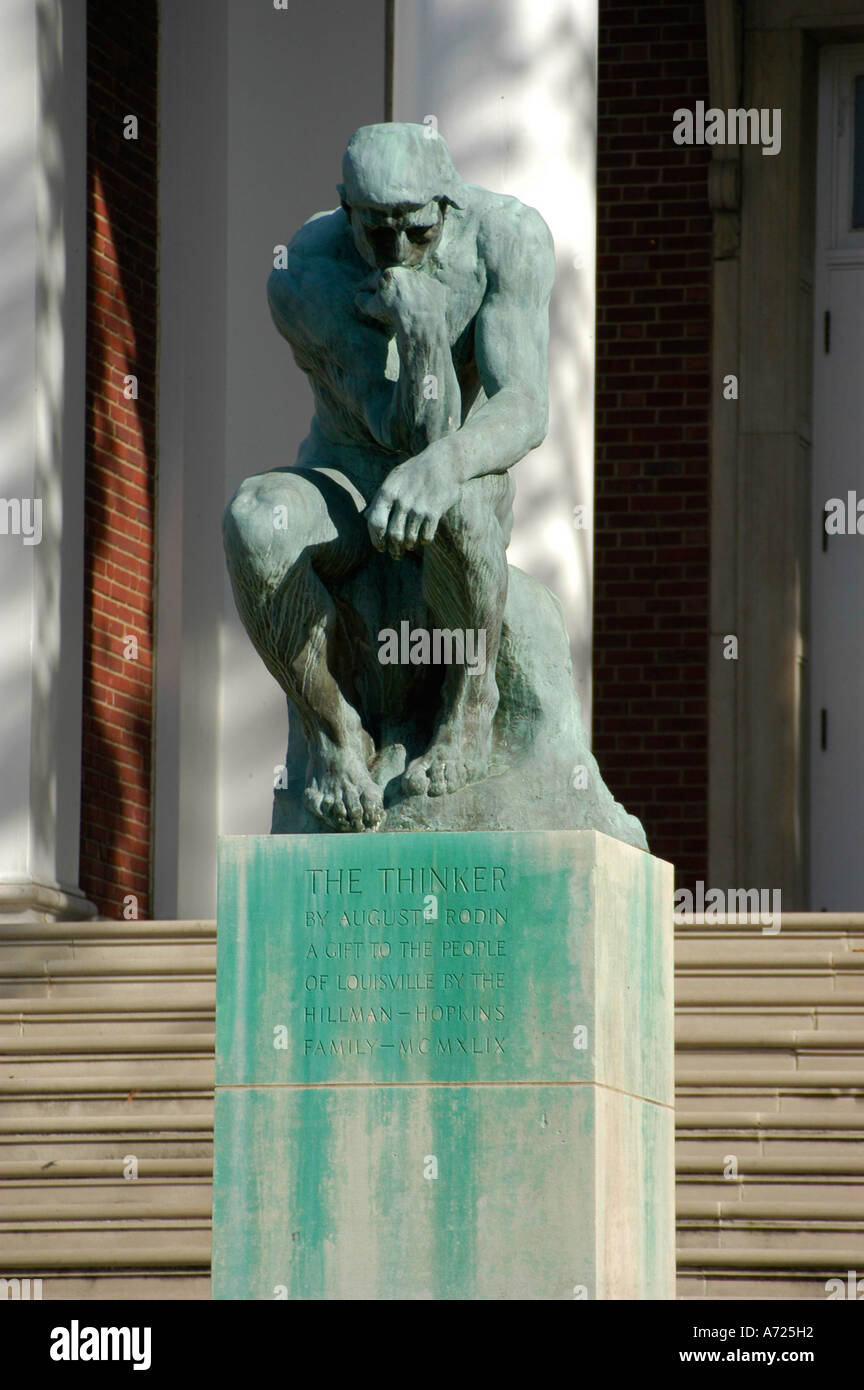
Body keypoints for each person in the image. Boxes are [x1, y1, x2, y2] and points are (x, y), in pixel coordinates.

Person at [224, 123, 555, 832]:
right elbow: (395, 428)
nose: (398, 253)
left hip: (457, 471)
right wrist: (422, 336)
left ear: (450, 205)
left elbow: (524, 405)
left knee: (460, 501)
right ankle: (336, 737)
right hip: (345, 483)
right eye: (377, 233)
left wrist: (447, 459)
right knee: (254, 519)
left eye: (417, 231)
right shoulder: (305, 271)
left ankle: (470, 707)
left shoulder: (507, 238)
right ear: (347, 211)